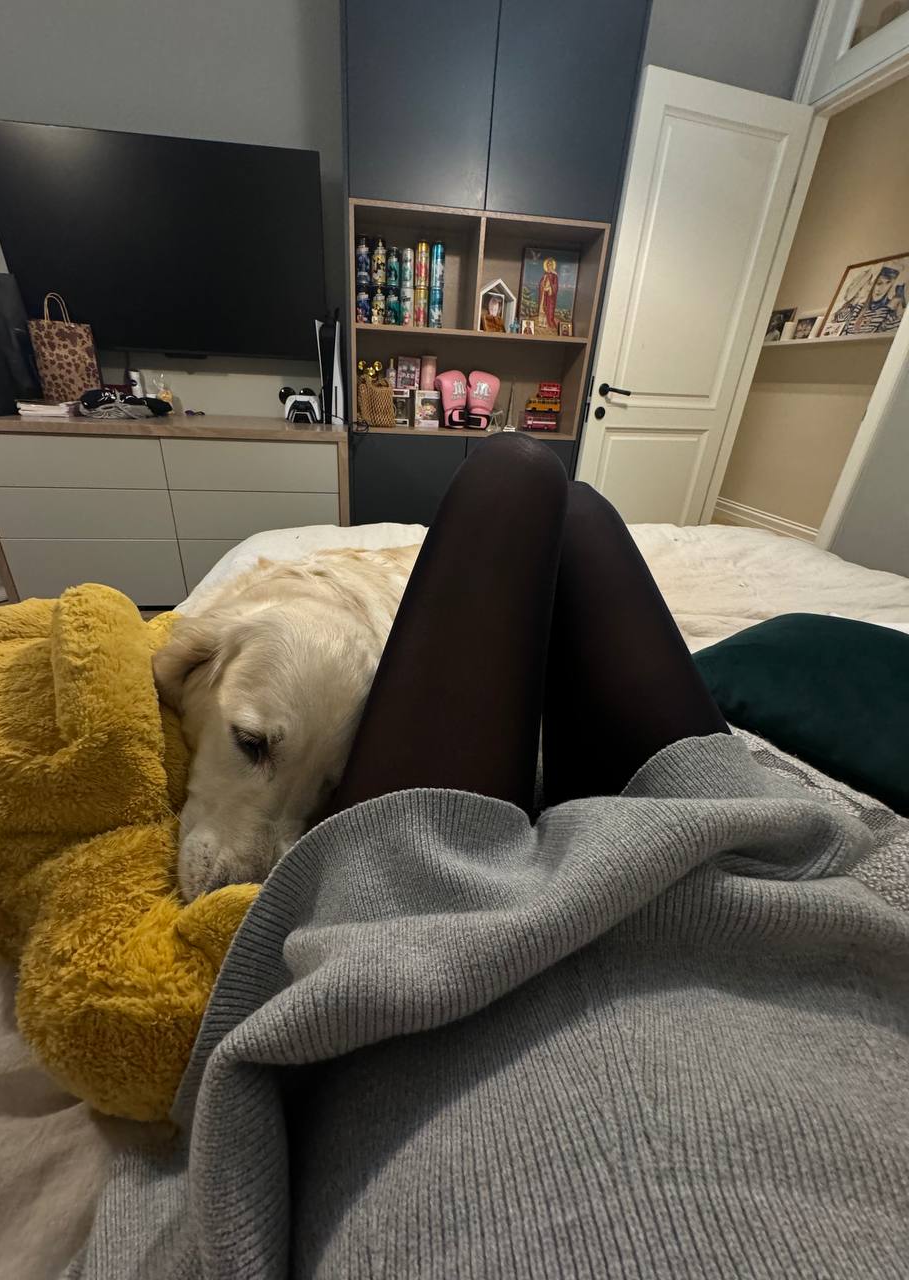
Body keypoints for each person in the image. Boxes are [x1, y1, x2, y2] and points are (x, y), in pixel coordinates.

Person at [73, 435, 909, 1280]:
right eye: (254, 742)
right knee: (560, 501)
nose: (257, 869)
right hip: (772, 916)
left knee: (515, 475)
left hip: (423, 945)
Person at [537, 255, 559, 330]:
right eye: (548, 265)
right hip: (544, 293)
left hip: (549, 295)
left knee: (548, 308)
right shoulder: (545, 274)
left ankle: (546, 323)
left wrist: (550, 289)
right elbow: (541, 283)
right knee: (542, 308)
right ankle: (541, 323)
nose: (549, 266)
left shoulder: (554, 275)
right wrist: (542, 285)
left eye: (550, 265)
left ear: (552, 266)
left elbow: (555, 285)